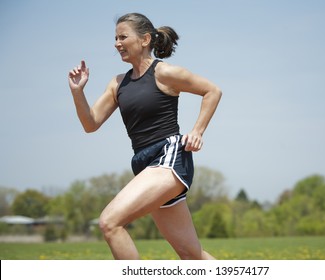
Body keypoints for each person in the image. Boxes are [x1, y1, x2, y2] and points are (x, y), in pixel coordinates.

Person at [68, 12, 222, 260]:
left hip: (169, 158)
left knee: (110, 222)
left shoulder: (164, 73)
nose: (117, 43)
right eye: (115, 38)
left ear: (145, 39)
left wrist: (197, 131)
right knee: (192, 256)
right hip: (144, 164)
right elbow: (91, 123)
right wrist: (78, 92)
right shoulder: (118, 84)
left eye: (123, 37)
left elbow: (212, 91)